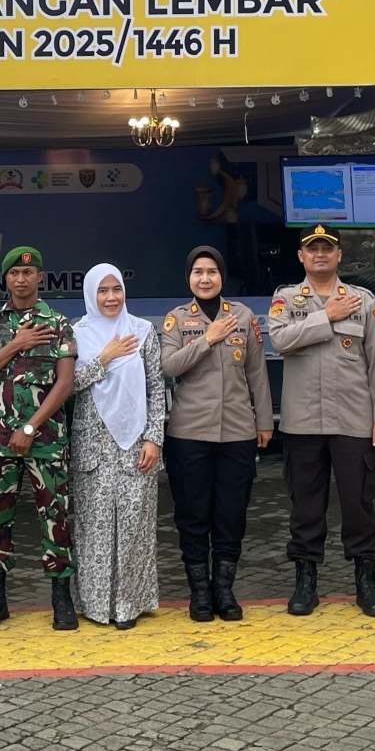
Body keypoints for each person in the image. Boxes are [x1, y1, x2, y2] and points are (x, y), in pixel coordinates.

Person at [267, 225, 375, 618]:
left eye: (328, 248)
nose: (320, 254)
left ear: (339, 255)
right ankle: (305, 582)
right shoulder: (286, 299)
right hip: (303, 422)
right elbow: (280, 340)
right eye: (313, 249)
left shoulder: (362, 300)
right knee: (306, 506)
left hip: (354, 420)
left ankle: (366, 581)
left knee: (359, 504)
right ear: (301, 256)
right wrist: (325, 316)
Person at [0, 245, 78, 631]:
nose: (21, 279)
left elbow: (65, 383)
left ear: (40, 277)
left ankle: (61, 598)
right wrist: (15, 344)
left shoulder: (57, 323)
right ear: (6, 278)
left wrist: (30, 428)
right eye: (14, 273)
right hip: (0, 441)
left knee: (56, 516)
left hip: (46, 439)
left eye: (28, 273)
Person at [159, 245, 272, 621]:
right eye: (198, 272)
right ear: (188, 278)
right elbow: (169, 367)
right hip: (189, 433)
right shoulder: (176, 320)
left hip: (237, 432)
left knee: (231, 514)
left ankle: (224, 590)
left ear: (222, 276)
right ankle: (200, 594)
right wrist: (207, 339)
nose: (205, 278)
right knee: (192, 515)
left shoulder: (243, 316)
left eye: (212, 271)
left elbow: (256, 372)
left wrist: (264, 422)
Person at [69, 263, 166, 629]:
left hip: (136, 445)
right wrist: (104, 358)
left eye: (116, 289)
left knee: (133, 528)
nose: (111, 297)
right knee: (93, 529)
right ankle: (95, 606)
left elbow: (157, 387)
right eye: (103, 291)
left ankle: (128, 606)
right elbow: (67, 385)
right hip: (93, 447)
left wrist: (154, 438)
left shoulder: (142, 331)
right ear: (90, 294)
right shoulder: (77, 333)